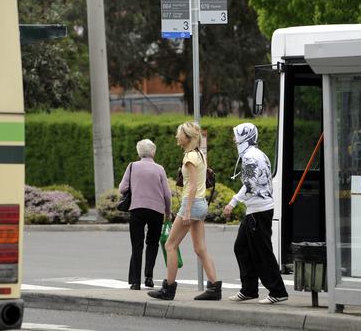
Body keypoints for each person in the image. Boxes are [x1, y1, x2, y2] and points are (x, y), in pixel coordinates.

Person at [148, 121, 222, 301]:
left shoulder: (189, 157)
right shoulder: (200, 154)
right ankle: (214, 288)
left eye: (179, 134)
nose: (176, 137)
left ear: (187, 137)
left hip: (192, 204)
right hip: (201, 203)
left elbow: (192, 186)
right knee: (200, 247)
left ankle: (168, 289)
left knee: (170, 245)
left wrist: (187, 210)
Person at [223, 122, 289, 304]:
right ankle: (249, 289)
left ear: (244, 136)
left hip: (258, 210)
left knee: (262, 251)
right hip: (257, 209)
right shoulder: (258, 154)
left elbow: (249, 184)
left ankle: (278, 291)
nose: (233, 139)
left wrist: (232, 202)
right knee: (242, 247)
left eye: (236, 135)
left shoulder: (250, 157)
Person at [118, 139, 172, 290]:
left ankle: (135, 282)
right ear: (153, 152)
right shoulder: (159, 169)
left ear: (139, 152)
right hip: (156, 211)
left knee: (137, 245)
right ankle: (149, 277)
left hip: (137, 209)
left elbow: (122, 188)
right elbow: (167, 194)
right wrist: (168, 212)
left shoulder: (132, 166)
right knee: (152, 243)